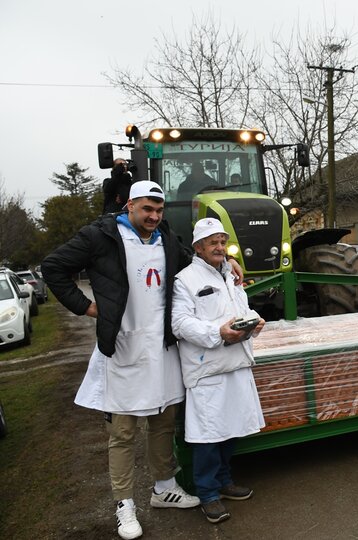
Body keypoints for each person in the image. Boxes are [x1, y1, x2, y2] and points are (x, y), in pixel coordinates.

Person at [41, 181, 201, 539]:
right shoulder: (101, 236)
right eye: (147, 209)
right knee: (123, 431)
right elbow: (52, 267)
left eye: (159, 210)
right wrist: (86, 307)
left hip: (162, 349)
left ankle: (164, 488)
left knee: (163, 421)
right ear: (130, 205)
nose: (154, 216)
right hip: (124, 347)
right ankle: (124, 504)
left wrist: (226, 263)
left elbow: (193, 265)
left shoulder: (165, 237)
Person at [172, 218, 266, 524]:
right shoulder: (185, 280)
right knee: (208, 436)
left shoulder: (230, 275)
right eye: (213, 242)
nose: (220, 247)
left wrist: (254, 320)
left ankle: (224, 482)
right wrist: (217, 332)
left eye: (222, 242)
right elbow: (180, 323)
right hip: (207, 369)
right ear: (198, 247)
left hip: (235, 362)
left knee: (231, 428)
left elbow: (241, 309)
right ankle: (208, 493)